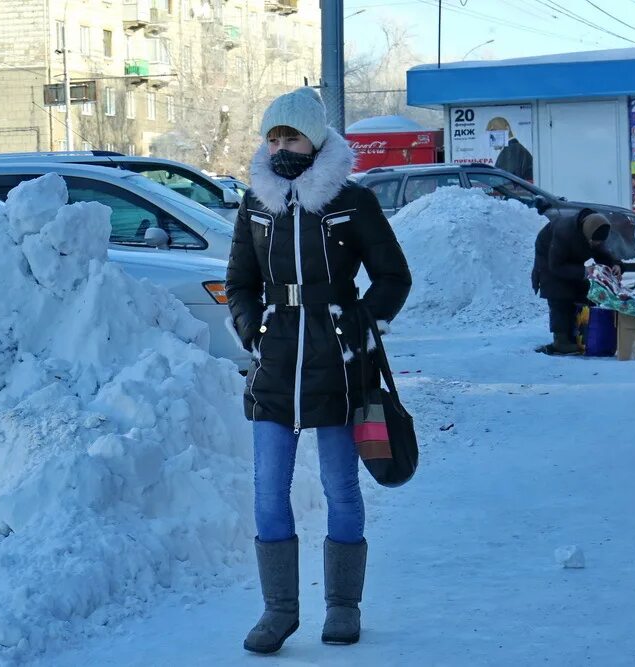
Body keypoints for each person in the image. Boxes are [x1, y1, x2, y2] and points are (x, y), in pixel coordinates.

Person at [225, 87, 411, 654]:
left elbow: (393, 277)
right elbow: (239, 282)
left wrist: (361, 322)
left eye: (293, 136)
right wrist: (251, 328)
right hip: (276, 364)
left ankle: (343, 606)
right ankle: (278, 610)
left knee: (339, 487)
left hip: (338, 366)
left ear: (317, 139)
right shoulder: (255, 203)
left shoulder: (352, 202)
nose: (282, 146)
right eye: (274, 137)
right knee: (267, 492)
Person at [532, 211, 623, 355]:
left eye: (600, 242)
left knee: (582, 289)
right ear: (587, 234)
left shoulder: (594, 230)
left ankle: (579, 333)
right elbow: (556, 266)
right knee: (559, 293)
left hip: (570, 259)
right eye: (595, 241)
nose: (597, 244)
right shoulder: (564, 233)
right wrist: (584, 271)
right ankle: (561, 342)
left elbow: (603, 253)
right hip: (550, 258)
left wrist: (615, 265)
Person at [489, 116, 533, 181]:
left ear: (507, 129)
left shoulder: (512, 150)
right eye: (490, 133)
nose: (491, 137)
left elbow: (507, 181)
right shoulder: (514, 148)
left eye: (494, 131)